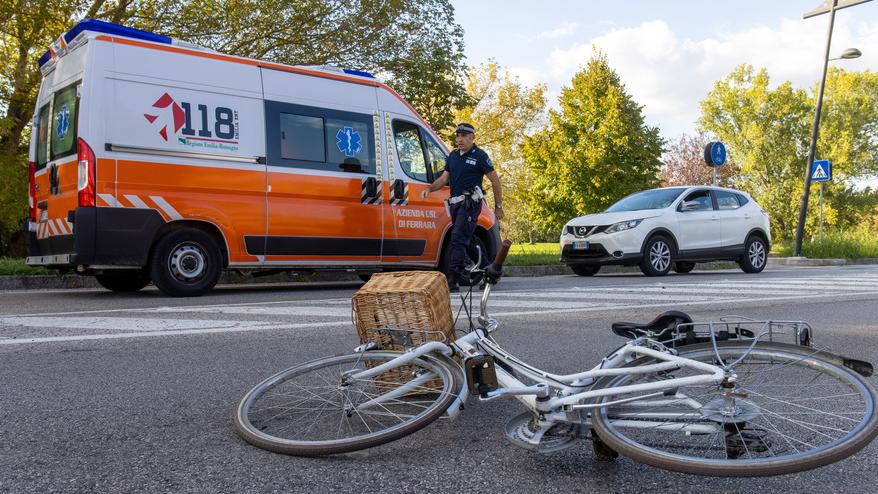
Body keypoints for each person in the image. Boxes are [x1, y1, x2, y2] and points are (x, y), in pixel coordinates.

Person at [421, 123, 503, 291]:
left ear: (472, 138)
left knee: (458, 237)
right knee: (468, 239)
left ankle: (452, 279)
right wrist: (429, 189)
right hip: (455, 205)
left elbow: (495, 181)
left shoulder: (480, 156)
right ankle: (489, 270)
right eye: (458, 136)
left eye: (464, 136)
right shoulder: (453, 156)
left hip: (470, 204)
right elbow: (444, 179)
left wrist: (499, 206)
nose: (460, 139)